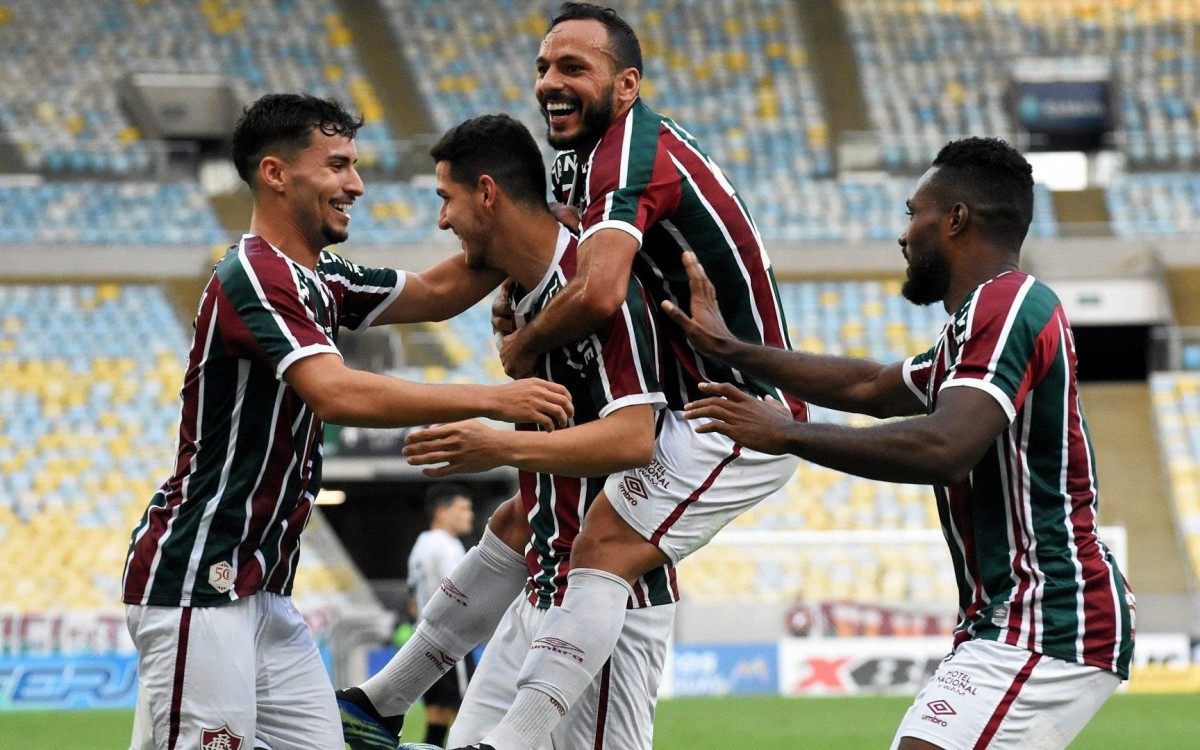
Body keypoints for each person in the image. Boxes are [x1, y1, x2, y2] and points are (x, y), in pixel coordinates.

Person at [121, 94, 573, 750]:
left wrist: (529, 227)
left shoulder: (317, 276)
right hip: (201, 581)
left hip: (264, 591)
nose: (355, 184)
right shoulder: (254, 273)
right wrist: (492, 398)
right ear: (277, 174)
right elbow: (334, 393)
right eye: (336, 165)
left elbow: (437, 293)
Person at [664, 137, 1135, 750]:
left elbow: (948, 446)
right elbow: (870, 385)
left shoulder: (1010, 303)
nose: (904, 234)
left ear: (956, 219)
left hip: (1051, 615)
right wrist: (731, 350)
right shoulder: (968, 332)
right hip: (1011, 616)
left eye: (915, 213)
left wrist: (788, 433)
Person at [457, 4, 805, 748]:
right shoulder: (588, 158)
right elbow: (558, 257)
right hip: (696, 407)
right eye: (543, 68)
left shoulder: (629, 156)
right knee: (550, 527)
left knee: (603, 540)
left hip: (738, 416)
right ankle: (412, 702)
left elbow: (602, 288)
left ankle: (505, 740)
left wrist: (523, 349)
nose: (550, 82)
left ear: (626, 85)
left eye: (573, 68)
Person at [337, 113, 676, 750]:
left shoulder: (601, 290)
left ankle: (378, 702)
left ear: (487, 193)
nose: (442, 220)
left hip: (605, 610)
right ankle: (377, 702)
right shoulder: (522, 290)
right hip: (536, 594)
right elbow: (436, 291)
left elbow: (635, 440)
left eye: (447, 199)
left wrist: (496, 442)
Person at [406, 485, 476, 747]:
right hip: (451, 644)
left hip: (423, 642)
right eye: (463, 509)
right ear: (442, 511)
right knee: (471, 717)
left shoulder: (421, 544)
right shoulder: (448, 546)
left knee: (437, 718)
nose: (469, 515)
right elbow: (460, 594)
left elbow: (411, 600)